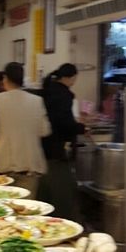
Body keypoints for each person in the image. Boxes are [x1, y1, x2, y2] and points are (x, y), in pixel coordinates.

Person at [0, 62, 50, 196]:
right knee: (25, 209)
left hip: (3, 164)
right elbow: (44, 130)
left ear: (5, 79)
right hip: (29, 163)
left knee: (2, 209)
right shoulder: (37, 100)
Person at [37, 63, 86, 221]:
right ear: (71, 77)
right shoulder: (64, 95)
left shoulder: (47, 89)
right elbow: (64, 122)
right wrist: (81, 128)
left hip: (43, 143)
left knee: (46, 183)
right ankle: (62, 218)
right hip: (57, 145)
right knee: (61, 186)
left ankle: (44, 213)